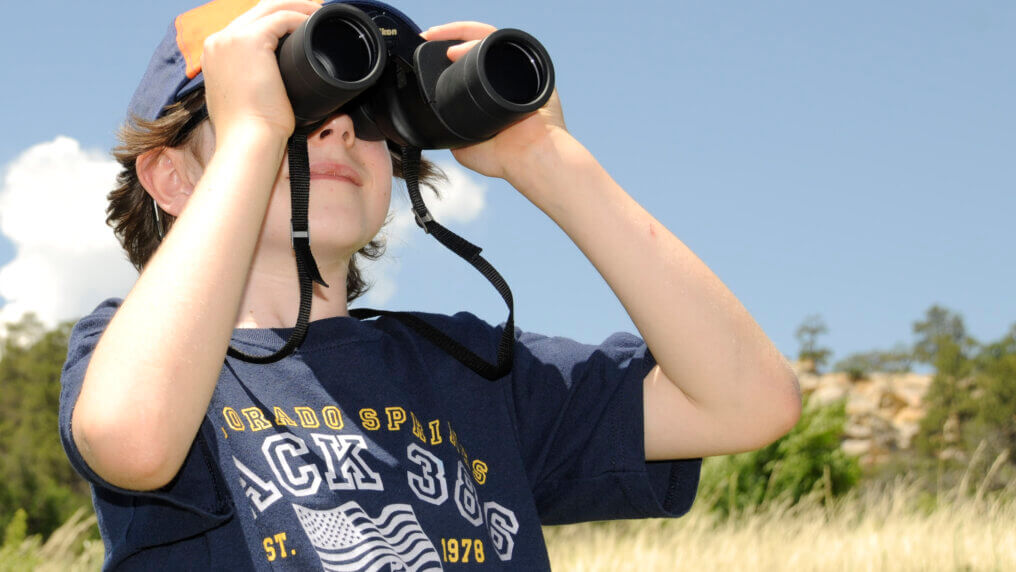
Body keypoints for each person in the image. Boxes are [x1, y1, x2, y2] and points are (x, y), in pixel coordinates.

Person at [59, 0, 802, 568]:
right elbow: (132, 439)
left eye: (368, 114)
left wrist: (546, 158)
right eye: (295, 105)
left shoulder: (471, 369)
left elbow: (747, 402)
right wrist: (255, 133)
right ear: (171, 175)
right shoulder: (138, 359)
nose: (338, 130)